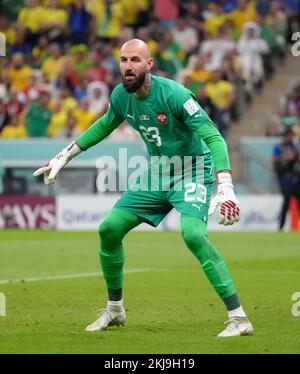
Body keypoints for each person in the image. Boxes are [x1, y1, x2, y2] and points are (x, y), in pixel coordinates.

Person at [33, 39, 253, 337]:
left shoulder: (174, 94)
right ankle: (115, 309)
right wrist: (65, 154)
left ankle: (239, 318)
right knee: (109, 229)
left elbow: (213, 137)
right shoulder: (122, 96)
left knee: (192, 235)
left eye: (135, 60)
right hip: (158, 172)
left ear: (149, 64)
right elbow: (105, 124)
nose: (128, 66)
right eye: (123, 60)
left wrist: (224, 185)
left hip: (192, 169)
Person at [272, 128, 300, 230]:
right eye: (288, 135)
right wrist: (285, 157)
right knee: (286, 202)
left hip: (295, 178)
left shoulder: (295, 147)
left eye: (291, 135)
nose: (290, 137)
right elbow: (273, 158)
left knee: (299, 201)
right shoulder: (279, 147)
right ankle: (281, 226)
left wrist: (294, 158)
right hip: (284, 178)